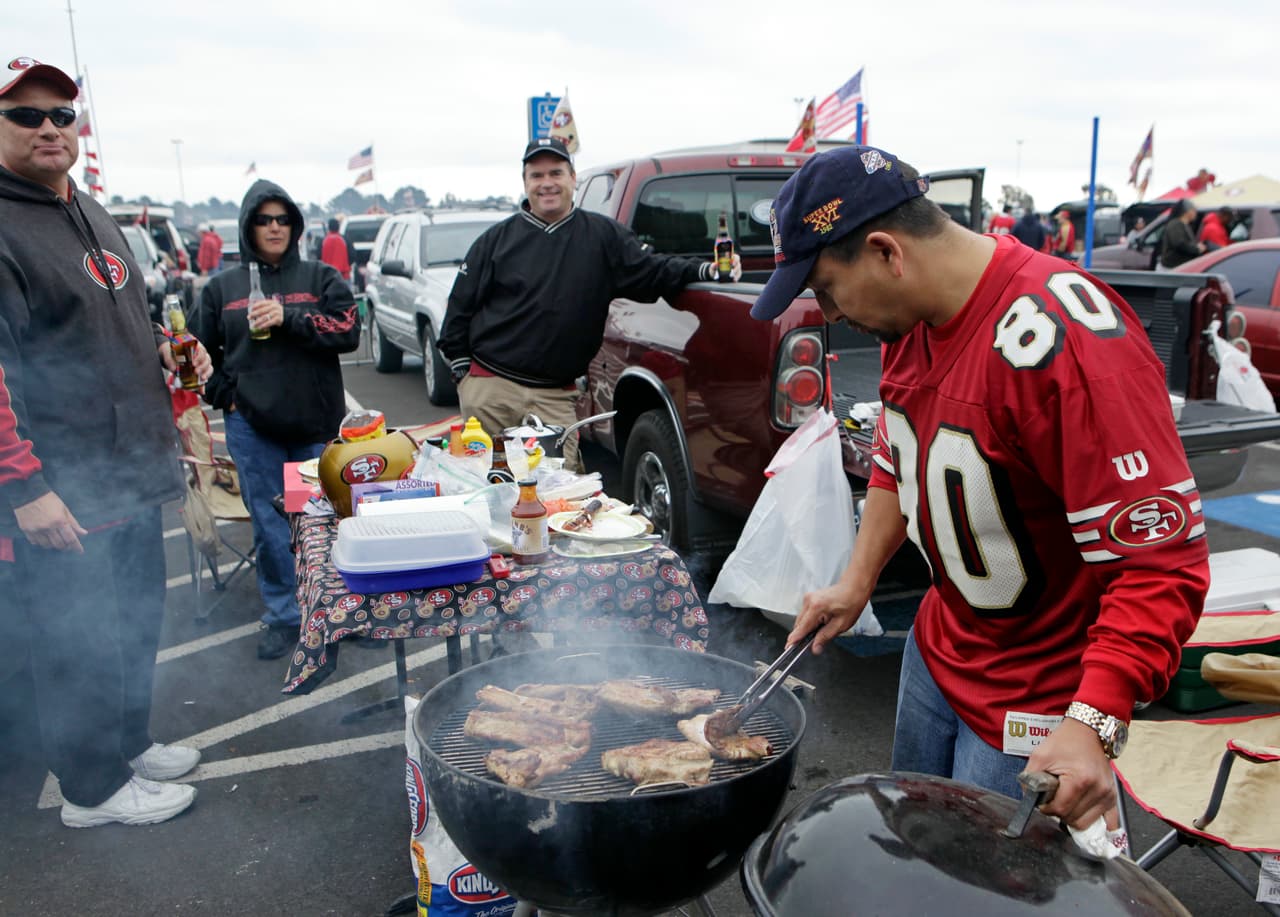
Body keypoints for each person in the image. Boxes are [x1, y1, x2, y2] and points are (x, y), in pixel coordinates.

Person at [750, 144, 1209, 830]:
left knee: (990, 880)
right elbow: (898, 451)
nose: (831, 313)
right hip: (937, 650)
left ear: (886, 252)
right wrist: (857, 580)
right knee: (916, 847)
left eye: (824, 288)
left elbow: (1160, 567)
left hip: (1035, 698)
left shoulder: (1068, 342)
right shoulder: (910, 316)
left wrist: (1093, 721)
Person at [0, 56, 212, 827]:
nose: (48, 128)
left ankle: (128, 742)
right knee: (76, 643)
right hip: (63, 487)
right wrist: (24, 486)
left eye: (62, 115)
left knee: (131, 625)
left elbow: (107, 317)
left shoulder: (89, 209)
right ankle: (90, 789)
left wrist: (166, 348)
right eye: (26, 115)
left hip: (129, 475)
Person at [439, 137, 740, 471]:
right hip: (492, 390)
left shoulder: (603, 236)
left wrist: (706, 270)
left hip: (555, 397)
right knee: (490, 482)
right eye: (537, 176)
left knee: (560, 488)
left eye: (556, 173)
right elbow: (460, 307)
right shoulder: (494, 241)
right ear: (525, 183)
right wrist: (465, 375)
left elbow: (653, 270)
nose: (547, 183)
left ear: (573, 178)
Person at [192, 180, 360, 660]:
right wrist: (225, 397)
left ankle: (334, 609)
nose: (273, 227)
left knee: (322, 522)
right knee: (270, 526)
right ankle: (286, 616)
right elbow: (196, 353)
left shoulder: (319, 276)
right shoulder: (222, 288)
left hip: (314, 425)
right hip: (253, 428)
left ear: (295, 225)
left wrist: (290, 317)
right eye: (263, 219)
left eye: (282, 219)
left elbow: (349, 330)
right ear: (248, 226)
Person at [1158, 199, 1204, 270]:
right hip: (1172, 268)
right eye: (1193, 210)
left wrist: (1196, 246)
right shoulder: (1175, 224)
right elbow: (1179, 243)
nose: (1196, 213)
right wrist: (1196, 249)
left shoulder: (1184, 224)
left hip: (1179, 267)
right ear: (1187, 211)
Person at [319, 216, 351, 281]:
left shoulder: (323, 241)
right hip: (343, 275)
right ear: (338, 227)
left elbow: (318, 257)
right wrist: (346, 264)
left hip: (328, 276)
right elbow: (352, 255)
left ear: (329, 228)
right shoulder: (345, 239)